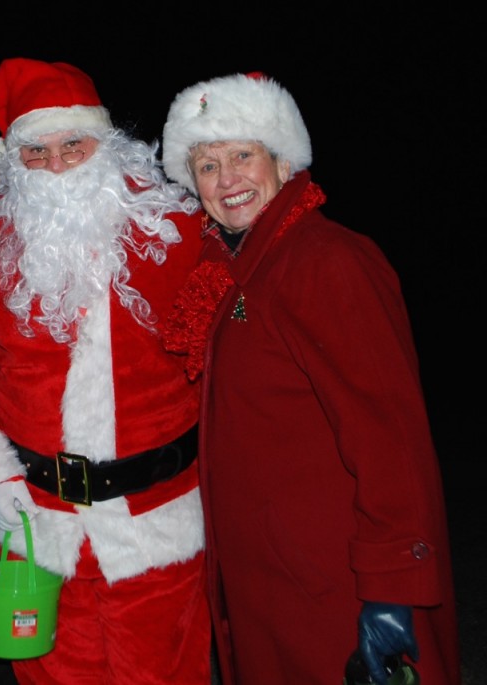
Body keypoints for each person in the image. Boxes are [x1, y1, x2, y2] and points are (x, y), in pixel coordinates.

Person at [160, 72, 461, 685]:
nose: (228, 180)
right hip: (272, 589)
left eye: (243, 155)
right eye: (207, 166)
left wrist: (392, 584)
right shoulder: (239, 270)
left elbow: (390, 440)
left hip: (333, 591)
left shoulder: (327, 261)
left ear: (282, 160)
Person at [0, 57, 211, 685]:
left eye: (74, 144)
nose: (58, 162)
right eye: (35, 152)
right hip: (39, 525)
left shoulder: (174, 227)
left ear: (107, 145)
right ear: (12, 161)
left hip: (157, 523)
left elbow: (231, 340)